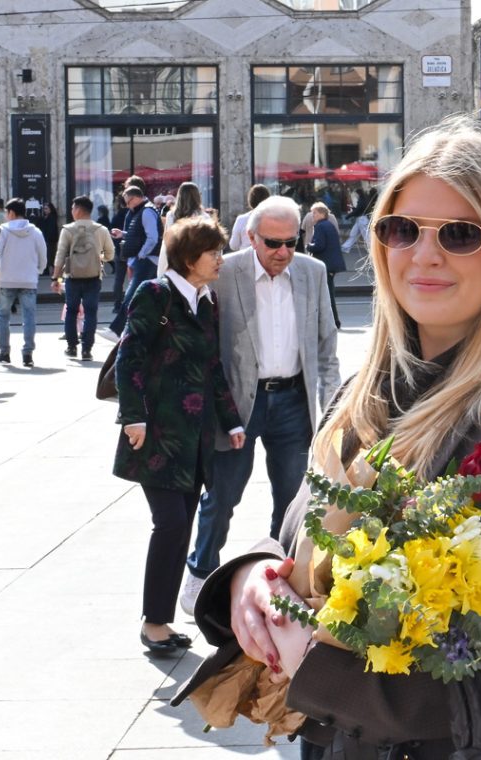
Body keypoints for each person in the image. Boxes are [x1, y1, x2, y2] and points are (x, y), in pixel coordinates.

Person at [177, 118, 481, 759]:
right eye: (402, 229)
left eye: (461, 234)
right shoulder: (363, 390)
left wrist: (315, 667)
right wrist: (252, 578)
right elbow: (303, 533)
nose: (424, 254)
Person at [179, 196, 341, 614]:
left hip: (292, 401)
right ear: (250, 237)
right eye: (272, 243)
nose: (283, 252)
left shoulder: (312, 272)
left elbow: (326, 347)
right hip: (236, 405)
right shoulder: (223, 272)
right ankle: (199, 576)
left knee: (291, 499)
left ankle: (276, 577)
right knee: (223, 494)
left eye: (291, 242)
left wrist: (332, 407)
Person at [113, 216, 246, 656]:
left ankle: (160, 621)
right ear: (190, 258)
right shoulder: (155, 294)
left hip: (195, 439)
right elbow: (128, 356)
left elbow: (212, 368)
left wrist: (233, 420)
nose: (220, 260)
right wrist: (132, 416)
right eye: (214, 253)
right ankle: (153, 623)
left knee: (180, 526)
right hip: (155, 434)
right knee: (169, 522)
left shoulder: (205, 300)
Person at [53, 195, 114, 360]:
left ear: (78, 209)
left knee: (71, 311)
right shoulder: (101, 230)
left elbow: (59, 256)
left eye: (73, 208)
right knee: (91, 312)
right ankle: (87, 349)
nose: (72, 211)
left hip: (72, 277)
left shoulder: (67, 230)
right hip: (93, 277)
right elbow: (110, 253)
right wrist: (99, 258)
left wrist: (55, 279)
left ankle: (72, 347)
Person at [0, 198, 47, 367]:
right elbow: (43, 255)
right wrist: (38, 271)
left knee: (3, 316)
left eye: (7, 213)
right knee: (29, 316)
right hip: (28, 280)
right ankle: (27, 354)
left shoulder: (3, 230)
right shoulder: (35, 231)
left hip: (6, 279)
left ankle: (4, 352)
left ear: (11, 213)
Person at [106, 185, 163, 340]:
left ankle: (116, 330)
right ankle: (134, 331)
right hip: (147, 259)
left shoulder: (146, 212)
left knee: (132, 295)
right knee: (141, 296)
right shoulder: (143, 211)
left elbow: (152, 238)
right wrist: (123, 234)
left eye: (128, 202)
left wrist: (141, 255)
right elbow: (141, 235)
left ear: (136, 198)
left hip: (147, 260)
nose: (127, 206)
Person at [305, 201, 346, 328]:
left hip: (326, 265)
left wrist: (308, 247)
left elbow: (319, 245)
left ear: (322, 213)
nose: (313, 215)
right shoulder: (328, 224)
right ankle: (332, 320)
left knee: (327, 294)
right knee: (327, 293)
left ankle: (333, 321)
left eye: (315, 213)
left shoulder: (321, 226)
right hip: (331, 264)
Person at [159, 182, 212, 276]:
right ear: (197, 197)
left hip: (174, 258)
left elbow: (168, 240)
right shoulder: (204, 217)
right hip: (195, 258)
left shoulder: (171, 215)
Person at [228, 183, 270, 251]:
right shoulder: (274, 220)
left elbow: (234, 245)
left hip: (245, 257)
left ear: (250, 200)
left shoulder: (241, 219)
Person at [38, 201, 60, 276]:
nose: (45, 210)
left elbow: (51, 230)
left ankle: (51, 271)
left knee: (50, 255)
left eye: (46, 209)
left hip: (50, 240)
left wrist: (48, 239)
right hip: (46, 239)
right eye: (44, 209)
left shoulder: (52, 217)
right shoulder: (46, 217)